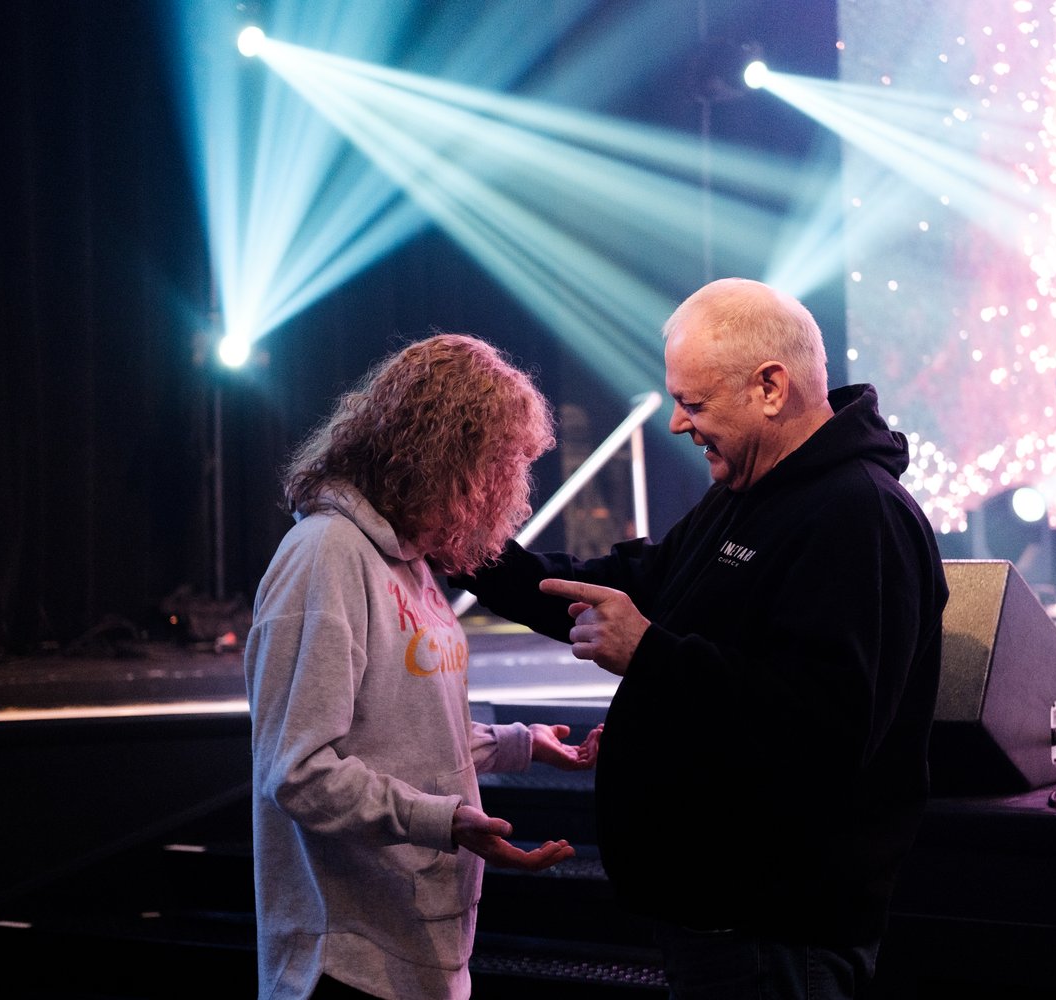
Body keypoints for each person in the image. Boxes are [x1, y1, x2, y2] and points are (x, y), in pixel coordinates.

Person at [451, 278, 949, 999]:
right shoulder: (747, 497)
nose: (680, 425)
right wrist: (466, 544)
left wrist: (651, 655)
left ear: (770, 387)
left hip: (778, 937)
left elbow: (828, 730)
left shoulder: (857, 515)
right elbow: (618, 585)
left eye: (694, 403)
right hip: (724, 928)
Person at [244, 333, 603, 1000]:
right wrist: (444, 820)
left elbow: (399, 733)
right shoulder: (325, 555)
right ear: (446, 456)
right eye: (500, 467)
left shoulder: (408, 561)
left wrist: (523, 745)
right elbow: (299, 773)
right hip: (346, 961)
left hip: (424, 951)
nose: (510, 492)